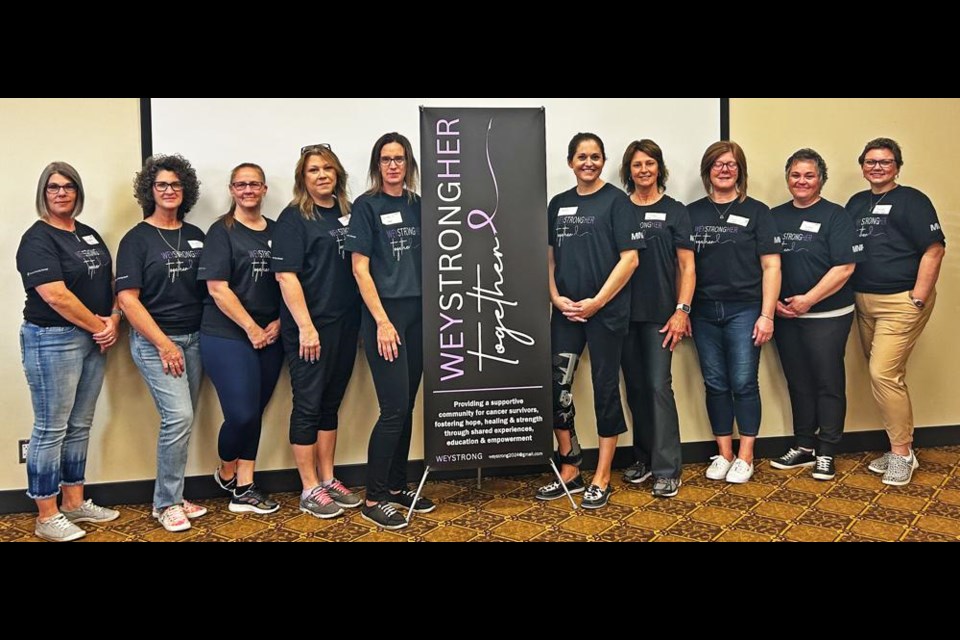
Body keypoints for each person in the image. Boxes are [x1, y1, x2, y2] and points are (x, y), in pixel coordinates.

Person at [16, 162, 121, 542]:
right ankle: (47, 514)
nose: (62, 193)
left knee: (79, 425)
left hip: (92, 338)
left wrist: (113, 319)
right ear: (44, 193)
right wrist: (101, 328)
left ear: (78, 192)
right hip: (52, 339)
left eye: (69, 187)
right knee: (50, 429)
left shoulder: (88, 235)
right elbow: (55, 296)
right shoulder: (37, 239)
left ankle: (74, 502)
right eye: (53, 188)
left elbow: (109, 282)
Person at [537, 132, 643, 510]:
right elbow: (549, 258)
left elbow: (630, 260)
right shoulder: (558, 204)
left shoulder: (617, 202)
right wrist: (553, 296)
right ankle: (570, 465)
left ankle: (602, 475)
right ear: (570, 162)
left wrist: (597, 302)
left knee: (604, 391)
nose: (588, 162)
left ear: (602, 161)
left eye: (595, 156)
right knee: (555, 387)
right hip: (566, 313)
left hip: (606, 313)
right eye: (581, 156)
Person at [346, 132, 436, 530]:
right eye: (386, 159)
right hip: (386, 316)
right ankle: (374, 497)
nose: (393, 165)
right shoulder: (367, 206)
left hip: (421, 314)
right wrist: (382, 321)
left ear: (409, 164)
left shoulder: (422, 205)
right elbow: (359, 268)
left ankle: (398, 487)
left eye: (399, 158)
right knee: (394, 408)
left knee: (408, 406)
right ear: (377, 165)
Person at [117, 154, 209, 533]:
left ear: (184, 190)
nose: (169, 191)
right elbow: (127, 299)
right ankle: (165, 503)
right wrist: (164, 345)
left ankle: (175, 493)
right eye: (162, 185)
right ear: (149, 191)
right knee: (179, 418)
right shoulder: (136, 239)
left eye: (175, 185)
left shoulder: (197, 236)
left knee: (182, 423)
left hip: (196, 340)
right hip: (157, 343)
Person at [847, 138, 946, 486]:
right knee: (885, 376)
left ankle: (903, 454)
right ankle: (898, 447)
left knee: (883, 374)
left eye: (885, 162)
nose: (877, 167)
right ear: (862, 166)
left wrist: (917, 298)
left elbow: (934, 250)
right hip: (864, 301)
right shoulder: (856, 203)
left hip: (900, 302)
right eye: (871, 161)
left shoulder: (913, 201)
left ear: (897, 167)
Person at [273, 145, 363, 520]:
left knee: (330, 403)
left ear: (337, 173)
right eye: (313, 170)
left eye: (328, 168)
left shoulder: (349, 212)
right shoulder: (293, 218)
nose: (322, 175)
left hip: (345, 324)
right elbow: (285, 275)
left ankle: (327, 479)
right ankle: (309, 487)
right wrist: (306, 327)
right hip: (310, 329)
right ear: (303, 178)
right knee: (308, 404)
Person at [688, 141, 782, 484]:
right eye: (718, 164)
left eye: (731, 164)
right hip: (703, 311)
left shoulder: (758, 212)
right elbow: (682, 268)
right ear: (707, 170)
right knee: (715, 383)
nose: (724, 170)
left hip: (745, 309)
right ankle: (724, 453)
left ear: (740, 170)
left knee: (743, 382)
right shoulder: (691, 213)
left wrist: (767, 314)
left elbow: (772, 266)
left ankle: (746, 455)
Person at [769, 149, 862, 481]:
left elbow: (845, 267)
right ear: (787, 178)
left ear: (821, 178)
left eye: (809, 175)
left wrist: (808, 300)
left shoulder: (835, 216)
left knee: (827, 382)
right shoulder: (774, 216)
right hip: (785, 315)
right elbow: (765, 265)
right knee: (798, 382)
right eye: (795, 175)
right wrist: (773, 304)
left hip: (828, 314)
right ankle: (804, 445)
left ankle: (827, 450)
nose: (801, 181)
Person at [199, 164, 284, 514]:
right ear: (232, 190)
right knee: (243, 414)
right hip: (227, 335)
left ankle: (244, 488)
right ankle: (226, 470)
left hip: (271, 335)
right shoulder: (222, 232)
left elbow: (289, 281)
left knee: (257, 412)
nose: (248, 189)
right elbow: (217, 288)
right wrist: (251, 328)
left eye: (254, 184)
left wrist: (278, 322)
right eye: (240, 184)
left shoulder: (279, 232)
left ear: (264, 189)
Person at [618, 140, 695, 499]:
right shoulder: (619, 209)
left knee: (658, 388)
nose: (643, 170)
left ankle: (667, 468)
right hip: (621, 314)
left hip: (661, 316)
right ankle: (644, 458)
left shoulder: (676, 211)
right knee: (634, 390)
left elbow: (687, 266)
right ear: (628, 171)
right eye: (637, 165)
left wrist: (682, 310)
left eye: (649, 163)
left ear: (659, 168)